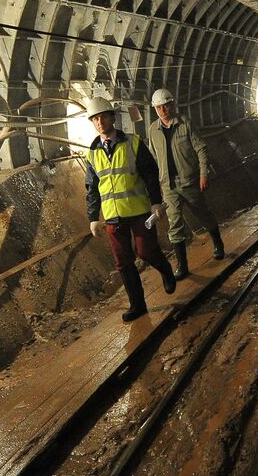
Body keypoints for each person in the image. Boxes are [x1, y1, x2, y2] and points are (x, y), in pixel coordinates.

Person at [82, 96, 176, 321]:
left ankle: (165, 270)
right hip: (113, 217)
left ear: (112, 117)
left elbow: (150, 174)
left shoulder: (133, 143)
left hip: (139, 211)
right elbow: (92, 188)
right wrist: (93, 216)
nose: (99, 122)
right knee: (123, 262)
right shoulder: (92, 153)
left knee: (146, 252)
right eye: (95, 119)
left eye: (103, 116)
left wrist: (155, 201)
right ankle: (138, 306)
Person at [146, 88, 224, 280]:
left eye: (166, 105)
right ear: (155, 109)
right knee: (175, 224)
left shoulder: (185, 124)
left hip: (189, 182)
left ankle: (218, 244)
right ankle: (182, 266)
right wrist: (155, 188)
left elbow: (201, 148)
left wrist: (203, 173)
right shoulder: (153, 131)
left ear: (172, 105)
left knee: (203, 214)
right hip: (168, 186)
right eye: (158, 107)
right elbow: (153, 160)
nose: (162, 110)